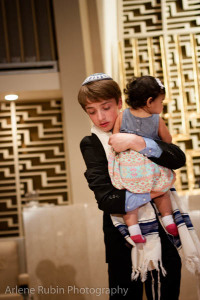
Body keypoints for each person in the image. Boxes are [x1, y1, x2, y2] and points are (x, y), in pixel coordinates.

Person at [79, 73, 185, 299]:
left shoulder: (146, 126)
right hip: (121, 239)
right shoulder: (91, 143)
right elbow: (106, 199)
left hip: (161, 233)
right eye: (91, 111)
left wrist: (137, 142)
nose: (100, 117)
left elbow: (177, 158)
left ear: (119, 103)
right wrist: (152, 192)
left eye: (106, 107)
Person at [108, 75, 178, 244]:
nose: (162, 105)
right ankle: (168, 220)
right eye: (161, 101)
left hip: (129, 169)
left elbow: (115, 138)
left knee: (129, 200)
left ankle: (133, 230)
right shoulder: (156, 120)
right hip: (150, 167)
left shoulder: (122, 114)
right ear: (149, 101)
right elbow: (168, 142)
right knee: (163, 191)